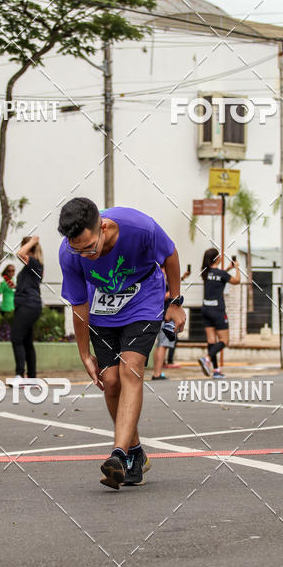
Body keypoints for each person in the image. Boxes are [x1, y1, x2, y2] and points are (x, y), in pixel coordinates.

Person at [58, 197, 185, 490]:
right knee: (111, 381)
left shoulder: (139, 226)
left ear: (103, 227)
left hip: (144, 299)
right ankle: (136, 452)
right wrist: (84, 353)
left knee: (131, 369)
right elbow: (79, 305)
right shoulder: (70, 253)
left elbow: (171, 255)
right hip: (103, 309)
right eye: (78, 250)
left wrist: (176, 302)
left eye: (91, 247)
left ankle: (119, 454)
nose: (87, 255)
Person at [198, 248, 240, 378]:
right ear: (216, 258)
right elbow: (237, 281)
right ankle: (207, 358)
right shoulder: (221, 274)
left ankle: (215, 370)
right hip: (218, 311)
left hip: (206, 309)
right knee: (224, 340)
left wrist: (227, 269)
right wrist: (236, 268)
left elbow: (217, 277)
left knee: (211, 341)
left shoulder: (205, 273)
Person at [8, 237, 43, 387]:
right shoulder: (32, 266)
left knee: (16, 338)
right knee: (27, 342)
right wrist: (16, 287)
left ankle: (20, 375)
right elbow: (30, 286)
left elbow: (20, 253)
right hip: (30, 304)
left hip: (28, 305)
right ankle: (32, 377)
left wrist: (32, 241)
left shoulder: (34, 262)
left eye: (25, 246)